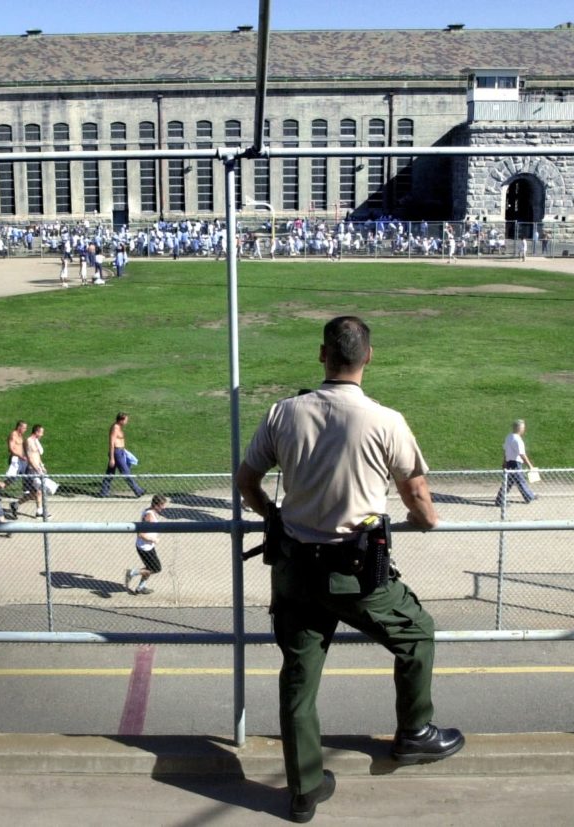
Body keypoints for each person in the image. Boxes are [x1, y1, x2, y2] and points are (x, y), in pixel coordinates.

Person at [235, 316, 464, 823]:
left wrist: (272, 515)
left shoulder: (283, 413)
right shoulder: (386, 421)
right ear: (369, 357)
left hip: (294, 569)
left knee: (298, 677)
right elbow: (419, 498)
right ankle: (415, 733)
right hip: (356, 574)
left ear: (322, 356)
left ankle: (303, 790)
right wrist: (424, 520)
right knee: (417, 634)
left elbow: (246, 480)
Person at [125, 494, 170, 595]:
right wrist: (153, 539)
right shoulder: (149, 515)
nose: (164, 507)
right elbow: (141, 534)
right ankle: (132, 573)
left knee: (149, 568)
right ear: (156, 505)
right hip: (144, 548)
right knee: (156, 568)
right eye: (162, 505)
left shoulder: (150, 511)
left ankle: (141, 587)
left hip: (148, 546)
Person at [99, 412, 146, 497]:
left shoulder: (119, 427)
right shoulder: (115, 428)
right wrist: (112, 458)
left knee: (110, 473)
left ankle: (103, 492)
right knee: (126, 472)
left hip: (120, 452)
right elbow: (111, 443)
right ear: (121, 420)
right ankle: (138, 491)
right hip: (116, 453)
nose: (127, 421)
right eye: (126, 420)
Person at [493, 419, 538, 506]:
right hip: (516, 463)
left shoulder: (509, 437)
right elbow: (522, 454)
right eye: (523, 428)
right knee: (519, 481)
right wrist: (530, 466)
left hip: (510, 462)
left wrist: (504, 462)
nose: (524, 430)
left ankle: (528, 496)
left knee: (511, 482)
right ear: (519, 428)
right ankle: (528, 496)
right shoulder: (517, 440)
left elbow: (505, 451)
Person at [11, 424, 49, 519]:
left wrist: (42, 465)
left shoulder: (36, 441)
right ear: (37, 432)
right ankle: (39, 511)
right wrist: (36, 468)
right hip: (32, 469)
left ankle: (16, 504)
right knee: (38, 491)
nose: (42, 435)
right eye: (41, 432)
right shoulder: (29, 441)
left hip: (38, 468)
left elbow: (37, 455)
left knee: (35, 492)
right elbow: (30, 457)